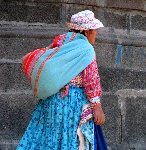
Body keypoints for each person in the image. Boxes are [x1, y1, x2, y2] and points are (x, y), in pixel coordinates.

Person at [17, 10, 107, 150]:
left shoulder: (60, 43)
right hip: (73, 104)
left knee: (47, 139)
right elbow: (91, 80)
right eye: (95, 30)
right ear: (87, 31)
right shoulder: (86, 49)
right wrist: (97, 107)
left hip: (51, 102)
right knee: (71, 140)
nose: (97, 34)